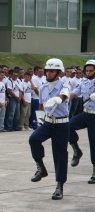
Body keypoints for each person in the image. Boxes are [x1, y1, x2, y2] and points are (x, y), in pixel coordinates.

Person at [29, 58, 70, 200]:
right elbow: (41, 105)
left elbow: (64, 94)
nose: (48, 73)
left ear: (58, 72)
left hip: (61, 124)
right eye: (47, 70)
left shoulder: (64, 84)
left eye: (52, 71)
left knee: (60, 155)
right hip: (47, 122)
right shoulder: (43, 87)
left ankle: (59, 186)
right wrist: (40, 120)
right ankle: (41, 168)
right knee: (34, 139)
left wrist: (59, 98)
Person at [68, 59, 95, 184]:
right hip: (85, 114)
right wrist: (64, 98)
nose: (88, 73)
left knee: (93, 144)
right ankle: (77, 150)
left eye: (91, 70)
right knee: (68, 126)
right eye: (87, 70)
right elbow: (75, 93)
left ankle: (94, 171)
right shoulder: (83, 82)